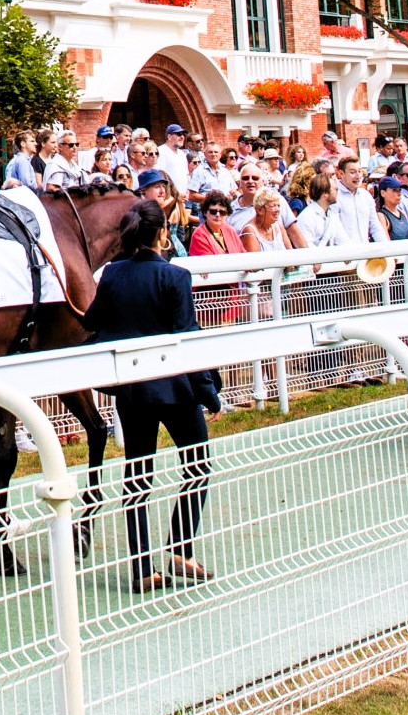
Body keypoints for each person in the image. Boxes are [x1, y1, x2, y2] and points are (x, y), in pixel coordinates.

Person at [81, 200, 218, 591]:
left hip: (132, 389)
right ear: (162, 234)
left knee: (137, 475)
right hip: (175, 388)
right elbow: (186, 337)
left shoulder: (113, 273)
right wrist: (209, 393)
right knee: (197, 465)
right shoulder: (175, 277)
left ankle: (142, 568)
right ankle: (179, 549)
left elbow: (92, 320)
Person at [241, 187, 306, 253]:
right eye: (273, 206)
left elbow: (289, 252)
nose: (277, 210)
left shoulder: (278, 225)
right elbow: (255, 262)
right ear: (259, 210)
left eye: (278, 206)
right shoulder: (250, 231)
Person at [292, 174, 348, 248]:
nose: (337, 192)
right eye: (335, 189)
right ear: (325, 194)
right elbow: (305, 249)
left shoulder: (332, 215)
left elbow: (343, 242)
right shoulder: (306, 217)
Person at [188, 191, 241, 258]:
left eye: (222, 212)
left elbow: (242, 255)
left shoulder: (230, 230)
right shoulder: (199, 235)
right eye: (213, 211)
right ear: (205, 212)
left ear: (227, 214)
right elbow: (208, 263)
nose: (218, 215)